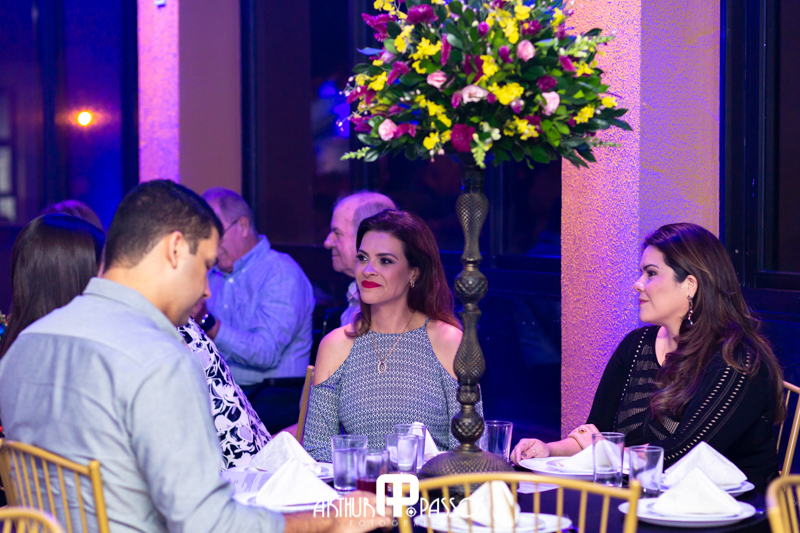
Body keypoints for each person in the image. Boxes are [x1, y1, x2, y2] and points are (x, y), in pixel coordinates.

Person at [0, 181, 380, 533]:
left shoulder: (25, 346)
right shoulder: (160, 359)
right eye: (205, 266)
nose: (206, 290)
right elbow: (208, 524)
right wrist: (331, 519)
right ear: (175, 249)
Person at [511, 222, 783, 492]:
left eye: (651, 273)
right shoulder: (636, 345)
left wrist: (605, 450)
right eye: (641, 273)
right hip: (644, 498)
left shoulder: (735, 360)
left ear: (689, 285)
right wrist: (549, 450)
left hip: (727, 508)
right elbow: (598, 432)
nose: (638, 284)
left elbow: (683, 454)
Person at [304, 209, 479, 461]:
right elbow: (317, 449)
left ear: (414, 272)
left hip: (432, 484)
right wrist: (377, 470)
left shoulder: (449, 341)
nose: (368, 270)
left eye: (385, 261)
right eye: (363, 258)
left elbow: (469, 449)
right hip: (361, 485)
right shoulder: (335, 345)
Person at [194, 187, 315, 433]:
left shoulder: (281, 273)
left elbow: (265, 352)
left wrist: (207, 322)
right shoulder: (211, 275)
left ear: (242, 226)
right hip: (226, 394)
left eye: (216, 233)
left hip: (274, 397)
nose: (211, 245)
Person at [0, 214, 104, 358]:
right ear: (73, 278)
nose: (105, 280)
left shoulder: (13, 351)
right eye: (101, 269)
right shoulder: (84, 356)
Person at [178, 316, 272, 470]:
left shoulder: (183, 322)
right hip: (218, 461)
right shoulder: (165, 325)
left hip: (245, 449)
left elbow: (263, 353)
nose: (207, 293)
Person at [324, 192, 396, 327]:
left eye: (337, 233)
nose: (327, 243)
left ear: (367, 236)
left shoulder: (390, 303)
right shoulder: (356, 292)